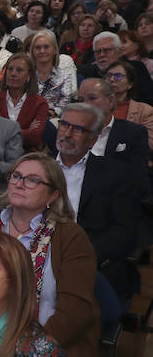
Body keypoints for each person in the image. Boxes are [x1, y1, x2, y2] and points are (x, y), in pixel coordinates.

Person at [0, 154, 101, 357]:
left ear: (53, 195)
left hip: (47, 345)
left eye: (32, 180)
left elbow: (75, 311)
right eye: (16, 176)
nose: (20, 183)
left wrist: (27, 349)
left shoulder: (70, 237)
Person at [55, 103, 139, 293]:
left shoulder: (116, 175)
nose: (67, 134)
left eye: (77, 129)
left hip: (88, 261)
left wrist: (84, 258)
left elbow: (124, 231)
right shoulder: (37, 167)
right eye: (64, 125)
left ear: (93, 140)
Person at [76, 77, 150, 190]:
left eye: (92, 98)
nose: (85, 105)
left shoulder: (134, 133)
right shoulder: (72, 132)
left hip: (116, 196)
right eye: (81, 100)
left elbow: (137, 176)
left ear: (110, 101)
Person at [0, 53, 50, 150]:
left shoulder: (40, 103)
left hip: (26, 155)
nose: (13, 74)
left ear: (29, 75)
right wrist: (25, 131)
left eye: (19, 70)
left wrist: (4, 133)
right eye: (10, 69)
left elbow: (34, 137)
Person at [99, 61, 153, 154]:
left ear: (130, 84)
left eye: (118, 76)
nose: (112, 79)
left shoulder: (145, 110)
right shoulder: (95, 107)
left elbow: (148, 143)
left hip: (129, 160)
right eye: (108, 76)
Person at [25, 30, 77, 120]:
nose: (42, 51)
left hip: (52, 118)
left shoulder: (65, 75)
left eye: (46, 47)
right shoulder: (25, 74)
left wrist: (50, 112)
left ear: (54, 50)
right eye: (37, 48)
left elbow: (64, 103)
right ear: (32, 51)